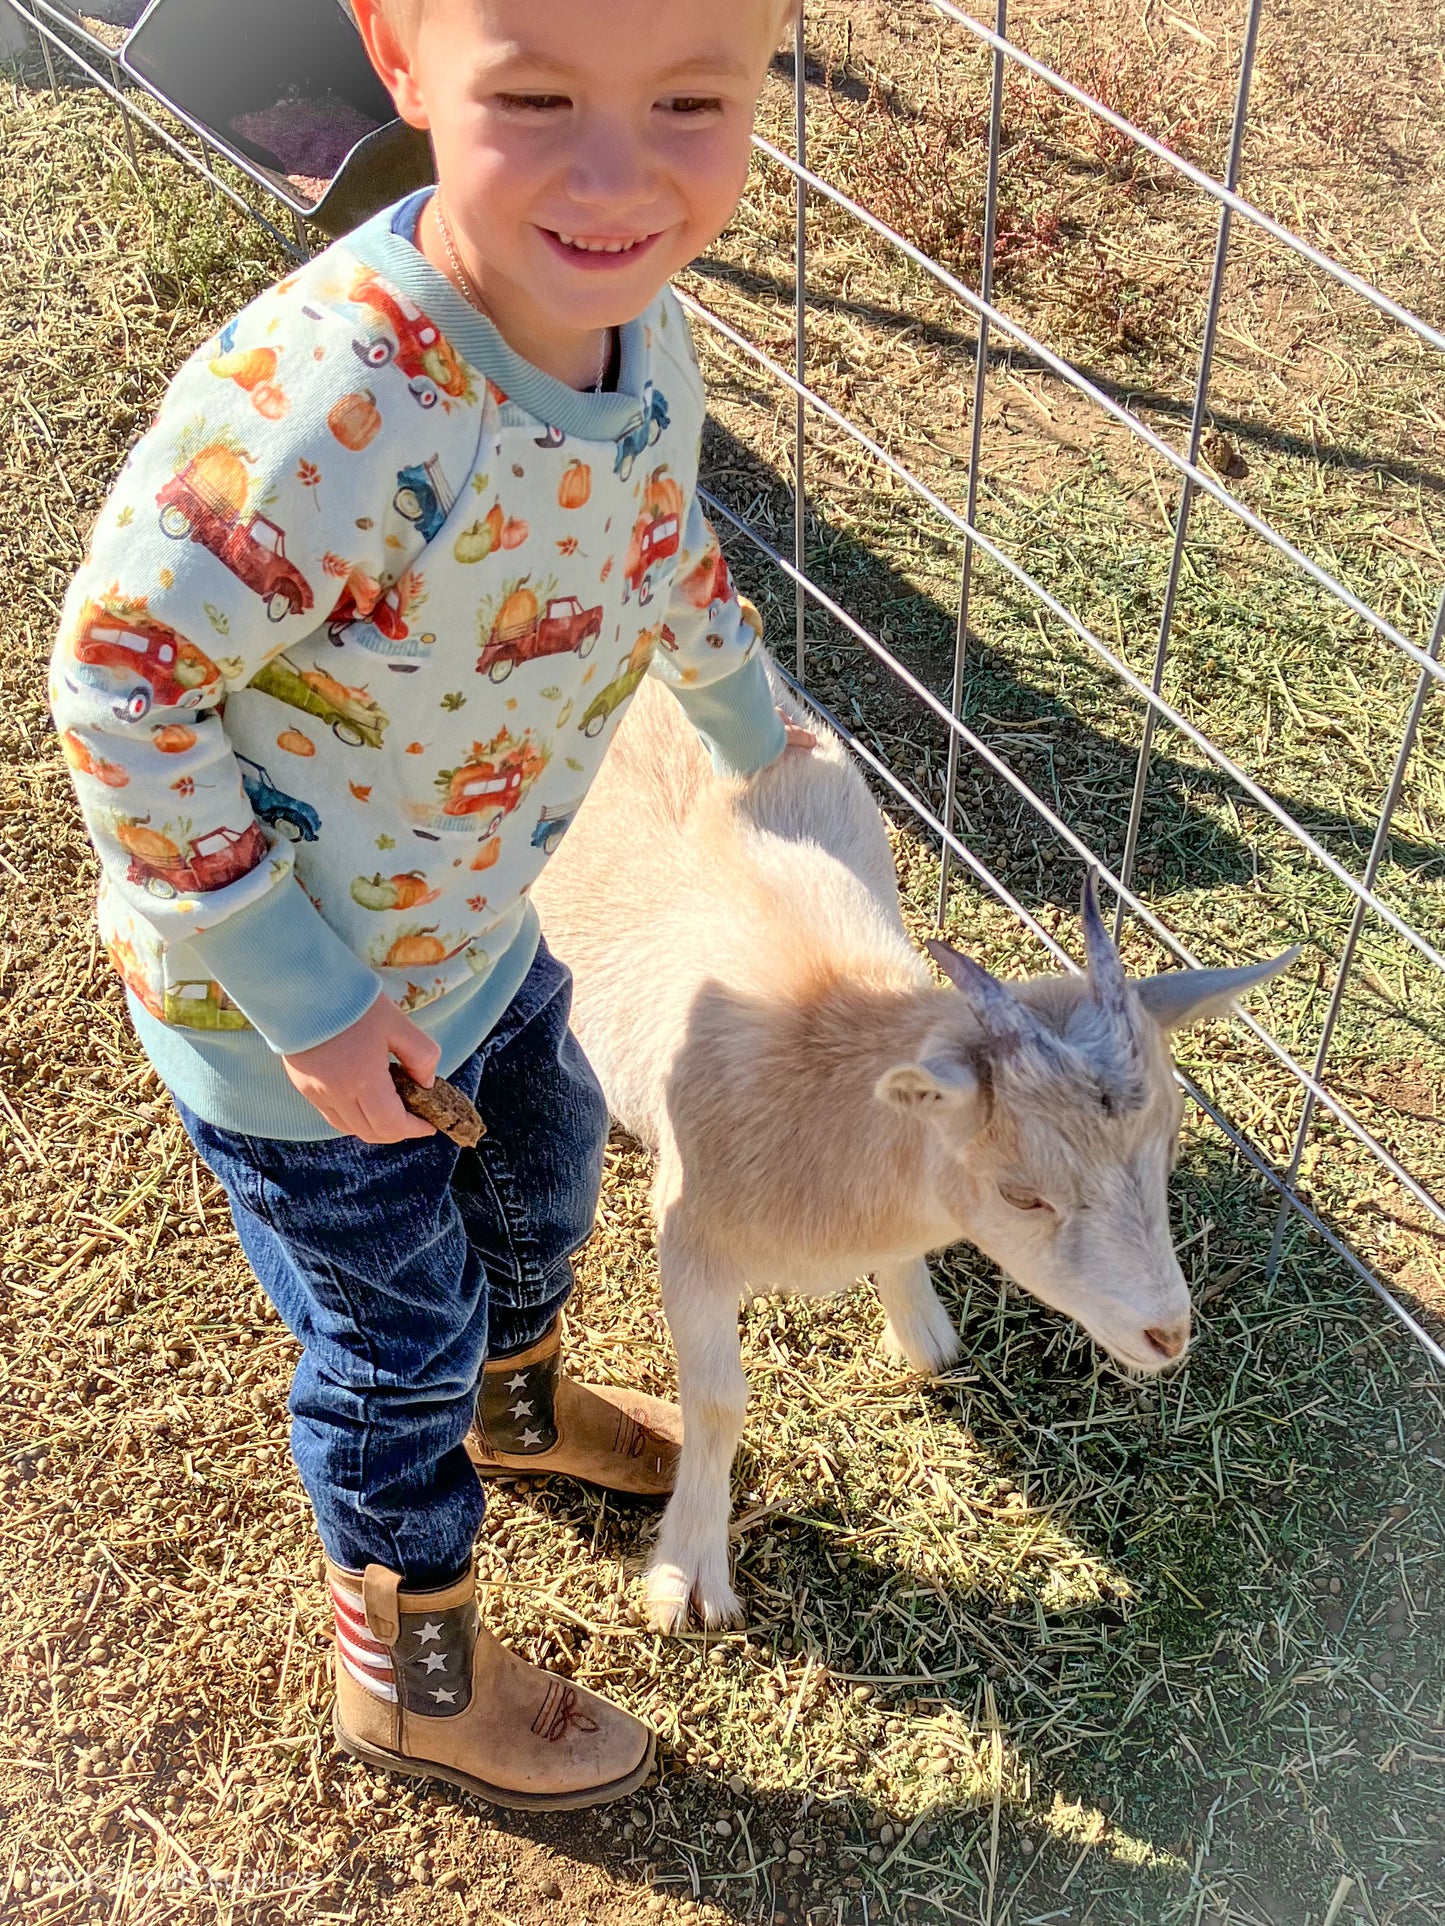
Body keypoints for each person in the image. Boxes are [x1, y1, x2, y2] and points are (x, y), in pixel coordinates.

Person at [49, 0, 810, 1810]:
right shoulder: (340, 399)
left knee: (546, 1169)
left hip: (473, 927)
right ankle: (415, 1673)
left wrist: (742, 719)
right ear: (397, 57)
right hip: (288, 1019)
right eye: (535, 96)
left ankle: (521, 1404)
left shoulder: (624, 305)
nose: (616, 174)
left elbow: (652, 521)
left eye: (689, 99)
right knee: (389, 1351)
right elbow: (119, 682)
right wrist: (302, 997)